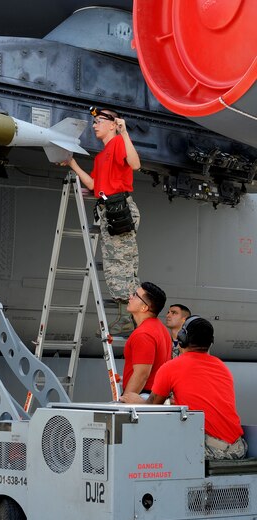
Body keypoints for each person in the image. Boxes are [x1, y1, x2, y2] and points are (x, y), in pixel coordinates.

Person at [120, 316, 247, 460]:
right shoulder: (222, 367)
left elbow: (152, 407)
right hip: (238, 448)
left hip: (212, 451)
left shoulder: (171, 367)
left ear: (182, 338)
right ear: (210, 343)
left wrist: (137, 401)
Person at [61, 106, 141, 334]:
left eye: (99, 121)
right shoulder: (102, 156)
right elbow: (94, 185)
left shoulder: (117, 144)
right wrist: (72, 164)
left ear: (113, 124)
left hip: (119, 209)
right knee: (118, 263)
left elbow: (135, 164)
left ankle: (129, 318)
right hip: (110, 210)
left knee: (120, 264)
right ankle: (128, 316)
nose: (94, 125)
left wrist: (124, 133)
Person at [122, 282, 172, 396]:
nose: (130, 296)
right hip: (150, 397)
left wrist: (125, 401)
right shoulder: (161, 329)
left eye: (135, 295)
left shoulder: (143, 334)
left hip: (141, 397)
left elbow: (141, 375)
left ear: (144, 307)